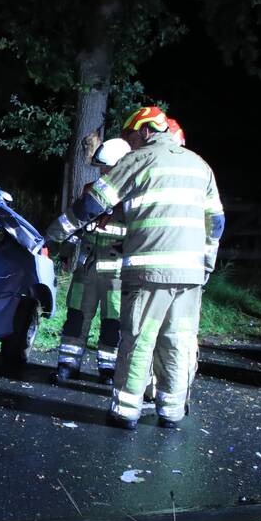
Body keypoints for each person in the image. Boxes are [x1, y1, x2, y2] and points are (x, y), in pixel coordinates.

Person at [48, 105, 225, 429]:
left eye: (130, 137)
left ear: (144, 130)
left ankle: (125, 411)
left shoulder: (138, 160)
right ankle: (171, 412)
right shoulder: (199, 165)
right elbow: (216, 222)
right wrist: (206, 266)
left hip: (148, 273)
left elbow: (93, 203)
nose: (129, 145)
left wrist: (54, 234)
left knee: (139, 339)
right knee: (177, 341)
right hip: (190, 274)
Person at [52, 137, 130, 385]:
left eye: (107, 168)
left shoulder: (131, 199)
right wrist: (66, 250)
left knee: (113, 323)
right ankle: (68, 364)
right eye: (101, 168)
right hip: (85, 269)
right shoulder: (90, 191)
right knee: (76, 316)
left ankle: (108, 369)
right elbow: (76, 226)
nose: (103, 173)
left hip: (117, 274)